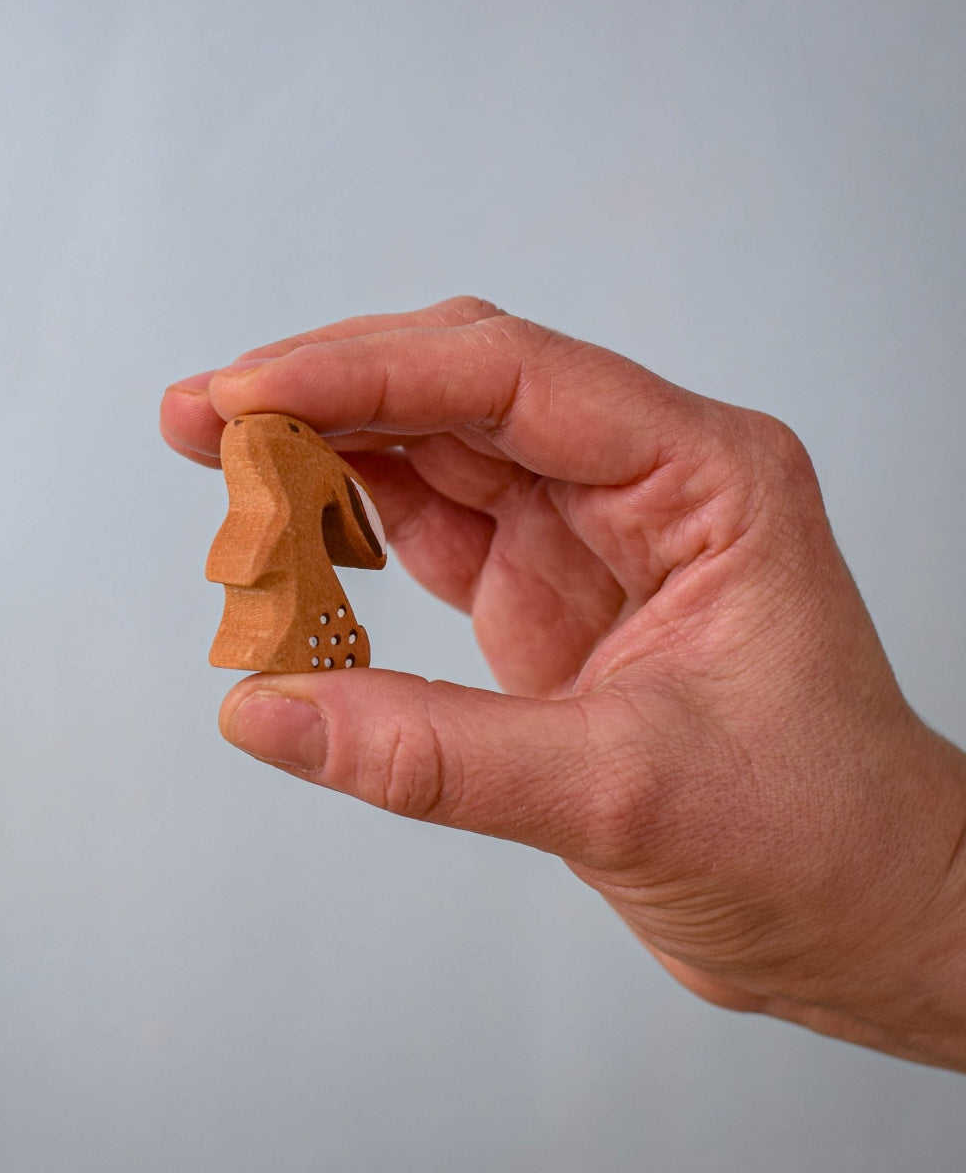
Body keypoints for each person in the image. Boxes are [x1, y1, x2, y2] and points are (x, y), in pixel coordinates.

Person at [159, 296, 966, 1073]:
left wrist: (930, 911)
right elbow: (319, 542)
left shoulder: (292, 476)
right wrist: (928, 912)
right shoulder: (275, 487)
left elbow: (338, 538)